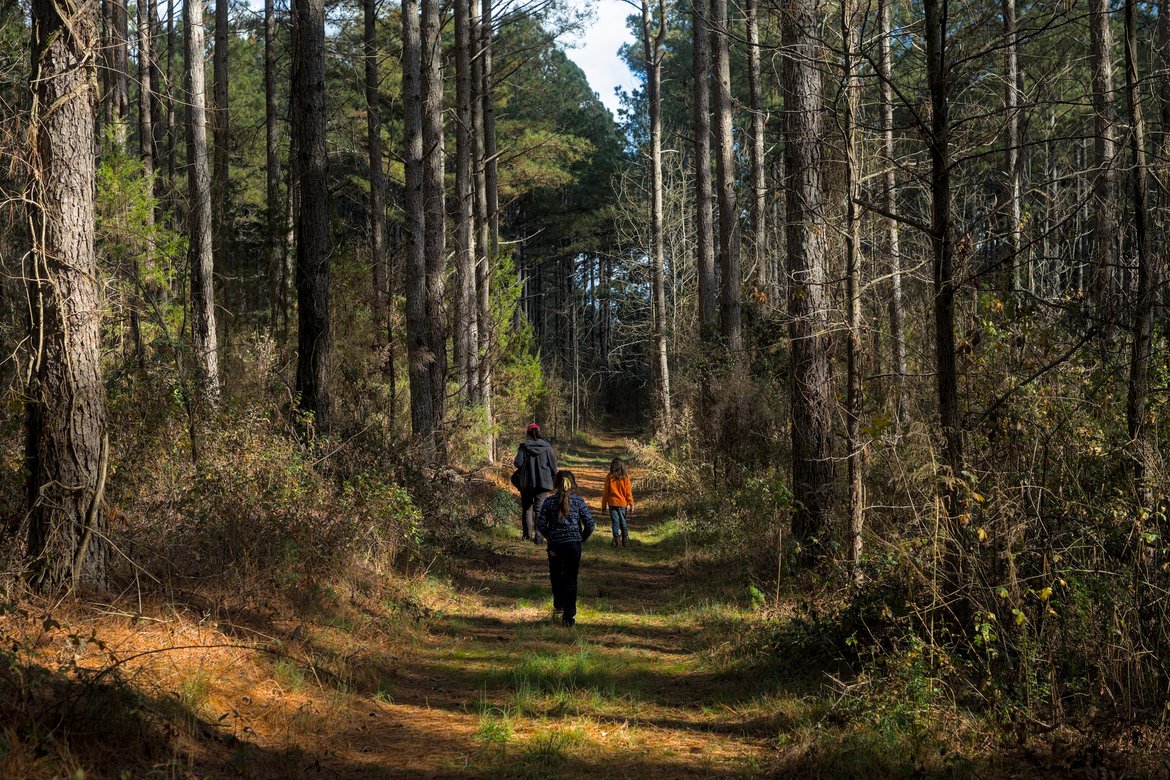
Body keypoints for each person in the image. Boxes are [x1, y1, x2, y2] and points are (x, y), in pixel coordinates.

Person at [536, 470, 595, 627]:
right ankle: (569, 617)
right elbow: (590, 523)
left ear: (555, 484)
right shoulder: (579, 501)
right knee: (571, 579)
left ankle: (559, 605)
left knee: (556, 575)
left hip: (555, 546)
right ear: (573, 484)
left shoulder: (548, 502)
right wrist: (580, 537)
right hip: (573, 546)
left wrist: (550, 536)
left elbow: (540, 524)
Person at [512, 423, 558, 544]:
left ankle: (527, 536)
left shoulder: (523, 447)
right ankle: (538, 538)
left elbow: (517, 463)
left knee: (527, 509)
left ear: (528, 434)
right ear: (539, 433)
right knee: (540, 510)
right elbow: (553, 467)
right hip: (543, 484)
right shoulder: (547, 447)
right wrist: (555, 481)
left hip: (526, 483)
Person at [601, 457, 634, 547]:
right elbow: (628, 492)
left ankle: (616, 540)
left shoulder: (609, 476)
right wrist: (631, 504)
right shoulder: (625, 478)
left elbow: (606, 493)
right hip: (622, 504)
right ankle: (625, 539)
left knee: (615, 522)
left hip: (612, 504)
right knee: (623, 521)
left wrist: (603, 506)